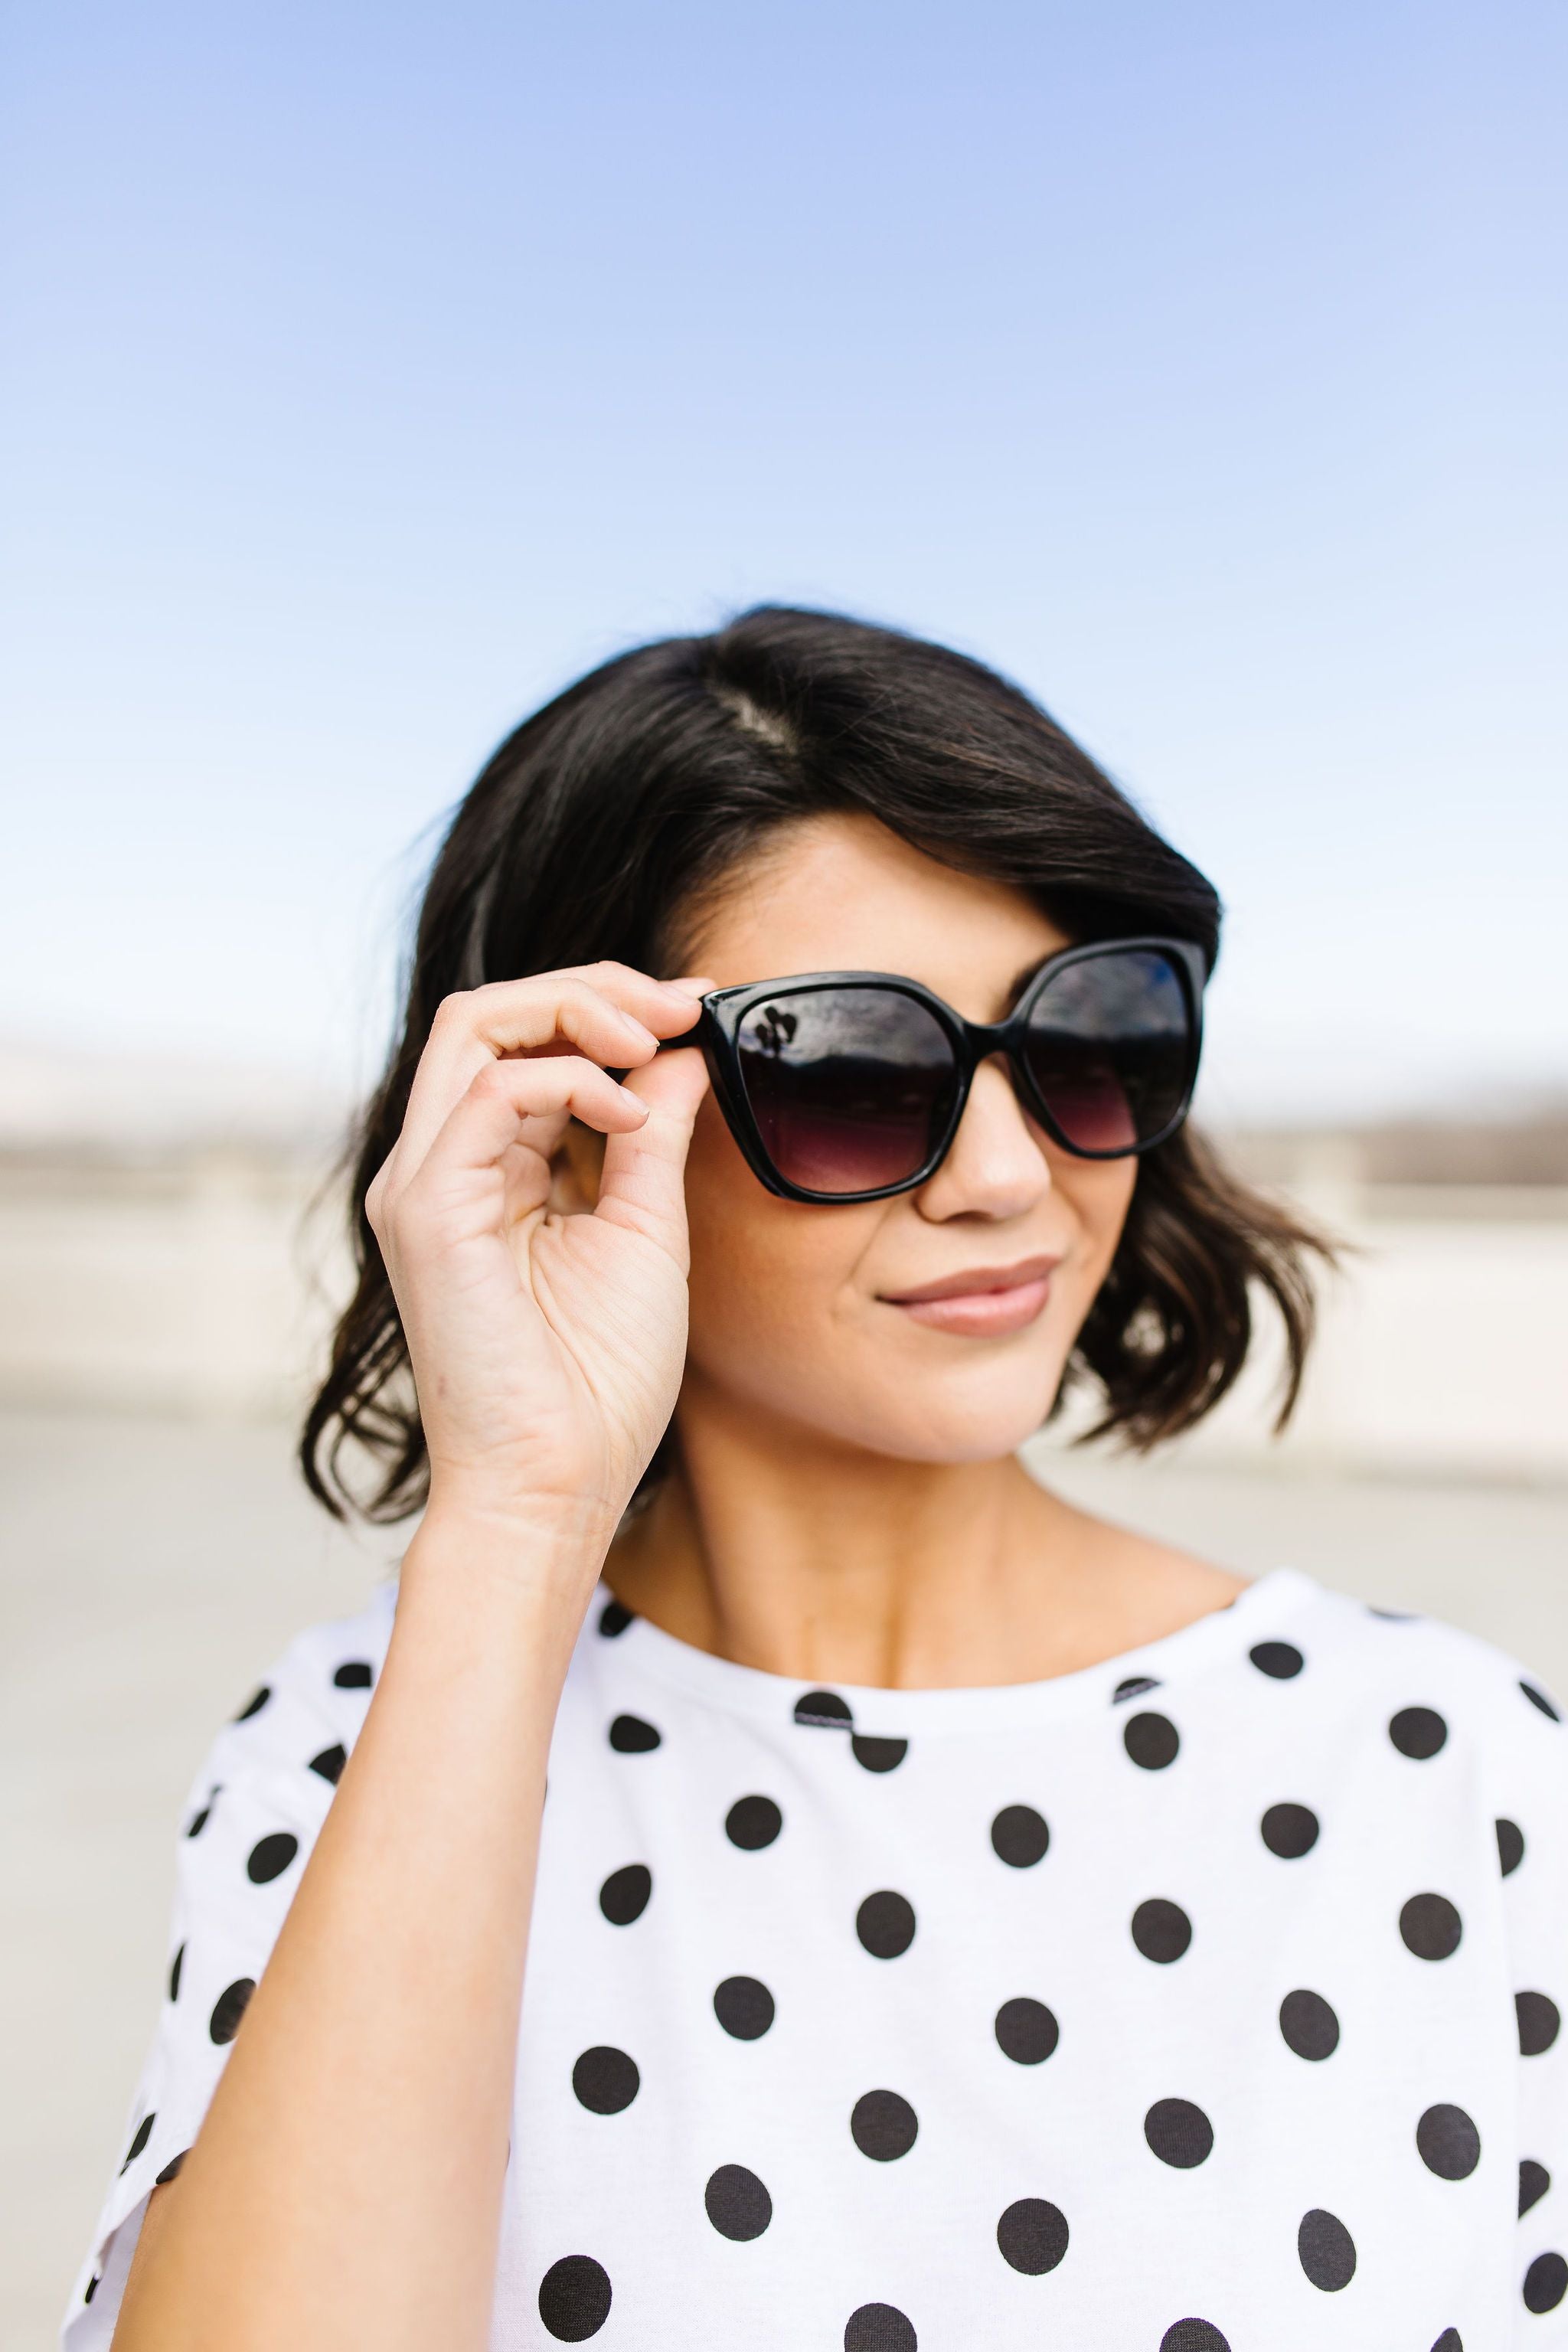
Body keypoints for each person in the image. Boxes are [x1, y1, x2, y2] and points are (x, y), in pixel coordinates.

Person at [70, 609, 1566, 2350]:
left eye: (1089, 1037)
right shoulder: (352, 1744)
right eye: (856, 1068)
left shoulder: (1447, 1765)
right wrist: (521, 1517)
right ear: (578, 1119)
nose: (1008, 1175)